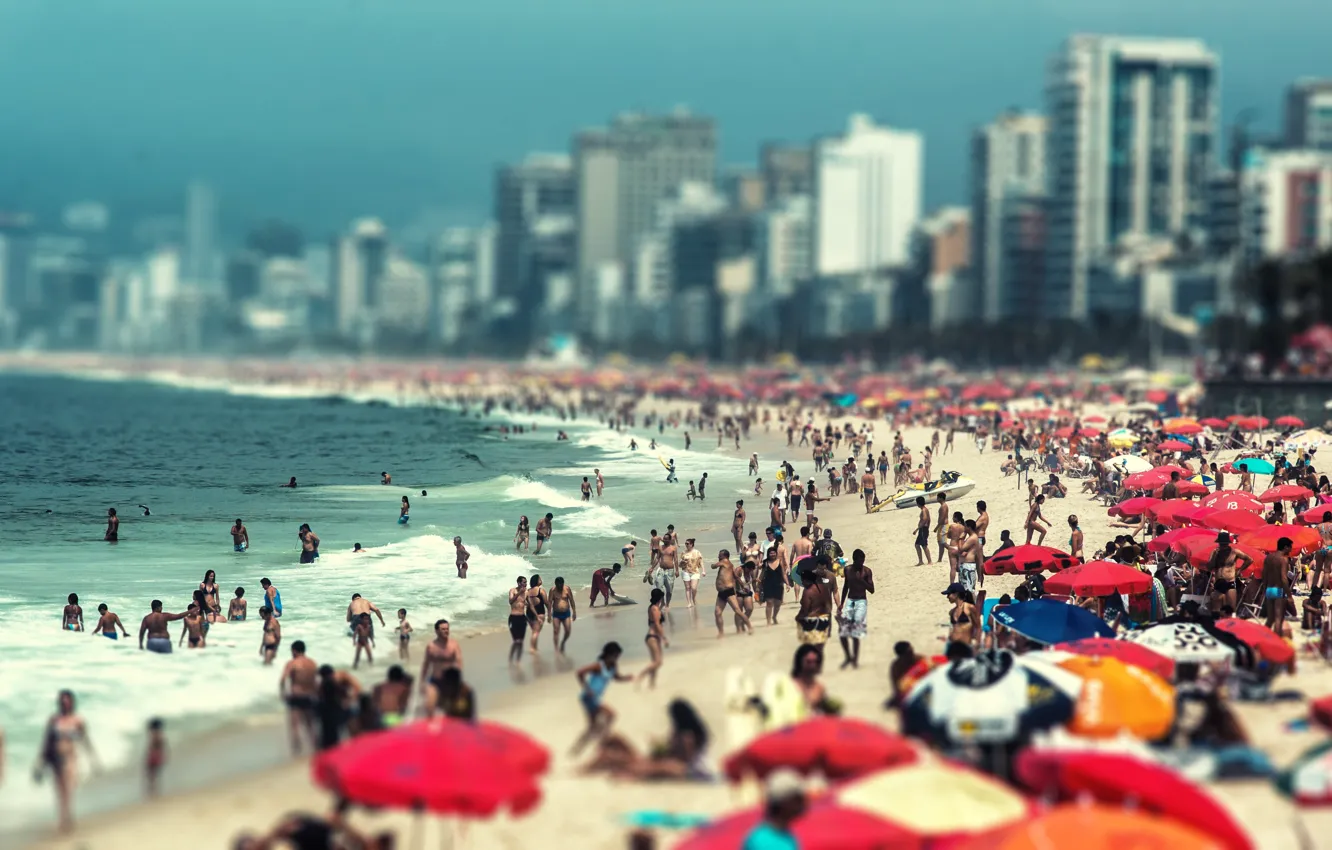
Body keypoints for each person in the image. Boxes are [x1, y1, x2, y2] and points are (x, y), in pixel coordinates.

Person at [36, 690, 99, 833]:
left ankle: (66, 817)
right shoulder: (54, 720)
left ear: (72, 702)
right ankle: (64, 817)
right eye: (62, 700)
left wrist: (93, 760)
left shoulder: (78, 720)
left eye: (67, 700)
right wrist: (40, 762)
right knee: (60, 790)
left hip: (71, 758)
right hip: (55, 758)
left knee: (69, 787)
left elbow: (86, 740)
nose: (65, 702)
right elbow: (46, 742)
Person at [573, 641, 633, 754]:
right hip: (589, 697)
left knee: (592, 726)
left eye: (617, 657)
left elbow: (616, 677)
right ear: (607, 654)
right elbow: (580, 672)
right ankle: (604, 740)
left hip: (594, 698)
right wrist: (587, 689)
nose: (616, 659)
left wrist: (626, 678)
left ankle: (579, 748)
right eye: (615, 656)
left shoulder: (613, 666)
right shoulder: (598, 665)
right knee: (611, 715)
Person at [741, 770, 805, 850]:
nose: (803, 804)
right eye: (798, 799)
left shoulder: (788, 836)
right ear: (784, 802)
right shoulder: (759, 841)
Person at [837, 548, 874, 669]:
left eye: (863, 561)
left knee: (855, 633)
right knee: (843, 633)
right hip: (850, 601)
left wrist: (862, 581)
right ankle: (848, 656)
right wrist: (841, 603)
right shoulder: (847, 570)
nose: (862, 564)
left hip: (861, 602)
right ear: (854, 560)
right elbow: (846, 587)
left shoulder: (867, 571)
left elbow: (872, 590)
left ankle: (855, 660)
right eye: (859, 561)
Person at [279, 641, 318, 754]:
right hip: (309, 696)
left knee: (295, 726)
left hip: (296, 697)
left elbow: (283, 679)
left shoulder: (292, 663)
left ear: (294, 650)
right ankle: (316, 748)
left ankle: (296, 752)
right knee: (310, 725)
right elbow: (315, 681)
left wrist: (283, 693)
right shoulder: (312, 663)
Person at [420, 619, 463, 714]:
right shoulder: (431, 646)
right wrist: (422, 681)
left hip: (450, 681)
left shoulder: (454, 645)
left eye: (447, 629)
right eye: (443, 629)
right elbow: (426, 664)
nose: (446, 631)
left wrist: (459, 680)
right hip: (435, 680)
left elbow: (459, 662)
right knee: (429, 706)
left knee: (451, 708)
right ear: (436, 631)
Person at [712, 549, 754, 637]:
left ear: (725, 556)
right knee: (717, 612)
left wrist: (713, 564)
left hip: (728, 591)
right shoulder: (730, 565)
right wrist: (743, 586)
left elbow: (714, 566)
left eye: (720, 555)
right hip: (721, 592)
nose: (718, 557)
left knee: (737, 610)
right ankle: (721, 633)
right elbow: (736, 577)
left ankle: (749, 626)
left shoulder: (724, 562)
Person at [639, 588, 668, 689]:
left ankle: (652, 684)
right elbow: (657, 624)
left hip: (654, 637)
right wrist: (664, 638)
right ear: (660, 597)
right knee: (657, 662)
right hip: (652, 637)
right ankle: (641, 676)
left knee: (656, 662)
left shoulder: (653, 607)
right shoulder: (654, 609)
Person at [1264, 537, 1294, 636]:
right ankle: (1276, 640)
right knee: (1278, 619)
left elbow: (1264, 575)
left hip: (1269, 589)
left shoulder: (1268, 557)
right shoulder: (1283, 560)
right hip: (1278, 590)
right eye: (1290, 547)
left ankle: (1263, 637)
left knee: (1270, 619)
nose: (1291, 550)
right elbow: (1284, 579)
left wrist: (1264, 589)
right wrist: (1289, 595)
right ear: (1285, 547)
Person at [549, 576, 577, 653]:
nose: (560, 586)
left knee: (568, 631)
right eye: (558, 584)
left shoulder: (567, 589)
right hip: (556, 614)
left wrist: (574, 612)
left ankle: (563, 642)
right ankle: (556, 649)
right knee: (556, 631)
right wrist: (549, 615)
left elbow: (571, 600)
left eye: (561, 584)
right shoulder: (552, 590)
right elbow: (550, 603)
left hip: (566, 613)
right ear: (555, 584)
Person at [526, 574, 548, 654]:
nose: (541, 580)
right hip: (539, 613)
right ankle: (532, 648)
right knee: (536, 632)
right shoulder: (541, 590)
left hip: (528, 613)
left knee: (534, 631)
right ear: (537, 581)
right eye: (540, 579)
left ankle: (535, 647)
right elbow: (546, 602)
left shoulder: (528, 591)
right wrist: (550, 610)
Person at [144, 718, 166, 798]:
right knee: (153, 777)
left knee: (152, 776)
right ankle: (154, 792)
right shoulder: (159, 736)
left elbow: (156, 749)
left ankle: (153, 793)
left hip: (154, 759)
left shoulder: (157, 737)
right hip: (156, 758)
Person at [680, 538, 705, 608]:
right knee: (687, 588)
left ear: (691, 544)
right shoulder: (683, 552)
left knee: (693, 588)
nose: (686, 545)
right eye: (685, 544)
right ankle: (689, 603)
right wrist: (681, 562)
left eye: (687, 544)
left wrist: (703, 570)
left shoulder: (697, 552)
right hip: (685, 571)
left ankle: (693, 598)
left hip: (695, 572)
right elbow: (680, 564)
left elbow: (701, 562)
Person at [914, 496, 932, 565]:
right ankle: (921, 561)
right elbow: (929, 519)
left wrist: (917, 529)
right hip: (924, 529)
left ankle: (929, 561)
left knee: (924, 545)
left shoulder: (924, 510)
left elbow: (925, 519)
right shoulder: (925, 509)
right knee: (917, 545)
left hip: (923, 529)